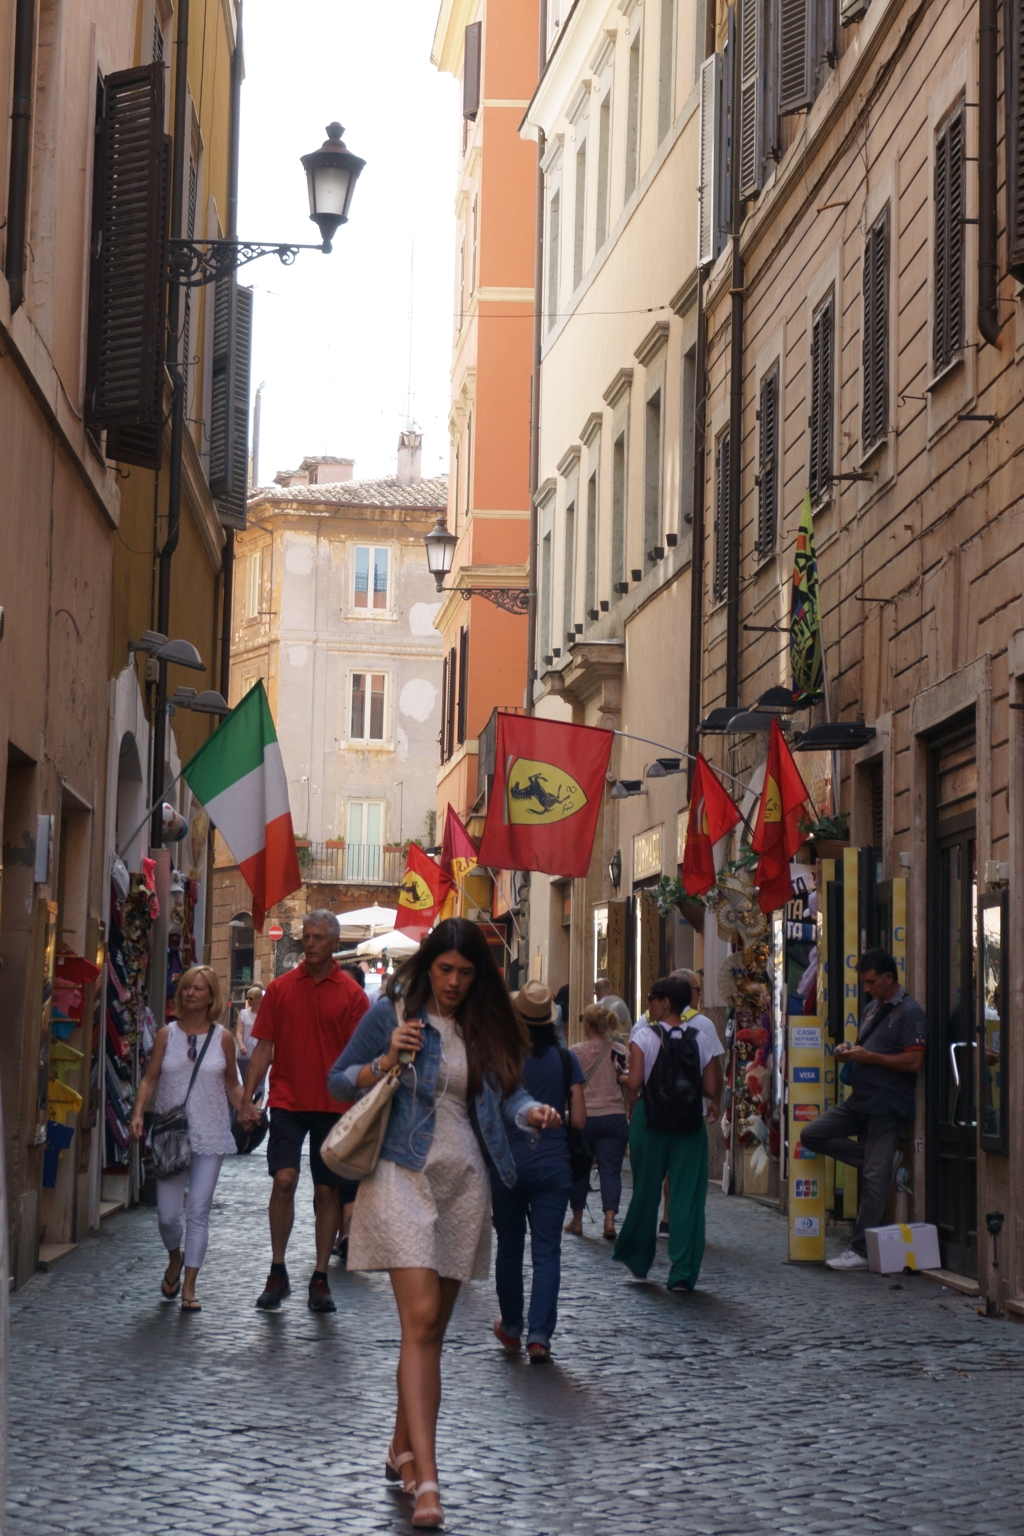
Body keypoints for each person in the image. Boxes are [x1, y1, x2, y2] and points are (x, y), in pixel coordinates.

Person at [329, 918, 561, 1531]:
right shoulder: (392, 1013)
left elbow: (504, 1094)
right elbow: (338, 1078)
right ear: (428, 966)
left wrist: (530, 1109)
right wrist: (384, 1061)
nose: (454, 982)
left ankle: (400, 1445)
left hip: (464, 1182)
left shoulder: (484, 1025)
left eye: (465, 972)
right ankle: (428, 1480)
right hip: (401, 1172)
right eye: (445, 970)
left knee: (429, 1331)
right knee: (423, 1318)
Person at [237, 910, 369, 1313]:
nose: (308, 943)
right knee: (284, 1180)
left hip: (334, 1105)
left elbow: (361, 1058)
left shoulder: (352, 995)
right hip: (289, 1100)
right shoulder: (279, 990)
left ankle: (320, 1276)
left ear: (333, 943)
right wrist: (248, 1097)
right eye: (305, 937)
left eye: (316, 937)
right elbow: (263, 1048)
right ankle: (277, 1268)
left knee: (327, 1190)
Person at [801, 948, 928, 1271]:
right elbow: (869, 1046)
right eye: (864, 983)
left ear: (889, 978)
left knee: (874, 1180)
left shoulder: (911, 1012)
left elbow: (914, 1062)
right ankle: (881, 1163)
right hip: (860, 1100)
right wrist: (850, 1051)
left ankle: (860, 1250)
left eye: (872, 982)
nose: (867, 988)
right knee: (812, 1133)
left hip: (887, 1105)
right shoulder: (873, 1008)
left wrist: (868, 1058)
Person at [130, 966, 242, 1311]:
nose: (192, 993)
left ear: (211, 996)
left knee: (198, 1211)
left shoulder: (223, 1038)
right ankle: (174, 1257)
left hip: (210, 1131)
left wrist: (249, 1109)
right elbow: (150, 1079)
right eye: (187, 988)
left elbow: (232, 1083)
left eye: (199, 988)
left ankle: (190, 1286)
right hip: (171, 1133)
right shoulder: (167, 1035)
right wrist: (137, 1113)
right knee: (167, 1216)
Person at [490, 981, 586, 1364]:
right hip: (552, 1166)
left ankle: (512, 1327)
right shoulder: (566, 1060)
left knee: (510, 1248)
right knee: (547, 1252)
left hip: (508, 1166)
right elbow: (578, 1119)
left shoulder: (502, 1058)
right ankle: (540, 1337)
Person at [613, 974, 724, 1292]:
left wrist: (619, 1075)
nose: (648, 1002)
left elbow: (634, 1084)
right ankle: (682, 1272)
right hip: (690, 1122)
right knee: (687, 1196)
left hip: (651, 1120)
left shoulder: (643, 1036)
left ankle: (638, 1256)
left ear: (665, 1003)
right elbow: (711, 1087)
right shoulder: (700, 1037)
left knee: (646, 1189)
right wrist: (714, 1104)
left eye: (652, 997)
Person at [565, 1004, 629, 1241]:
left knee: (579, 1169)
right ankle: (610, 1221)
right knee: (611, 1170)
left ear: (588, 1026)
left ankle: (577, 1220)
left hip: (584, 1119)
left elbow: (568, 1087)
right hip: (614, 1118)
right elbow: (627, 1082)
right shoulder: (620, 1050)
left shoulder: (575, 1052)